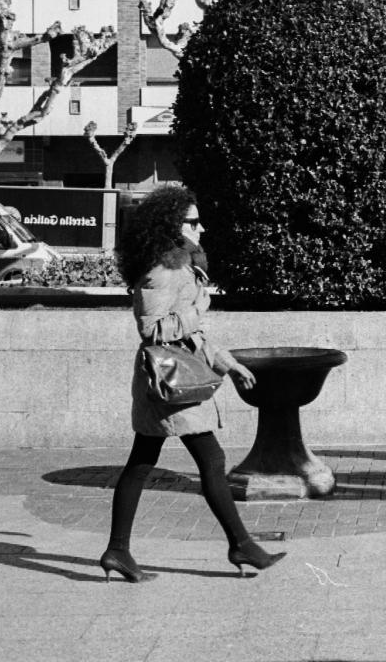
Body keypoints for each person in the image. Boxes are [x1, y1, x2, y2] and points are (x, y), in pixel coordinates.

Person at [100, 185, 286, 583]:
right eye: (192, 221)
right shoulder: (161, 269)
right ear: (172, 225)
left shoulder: (183, 265)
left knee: (141, 463)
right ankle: (241, 544)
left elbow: (194, 336)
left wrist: (229, 364)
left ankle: (118, 550)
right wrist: (197, 311)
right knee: (211, 461)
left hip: (177, 373)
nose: (200, 227)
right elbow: (151, 330)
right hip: (170, 378)